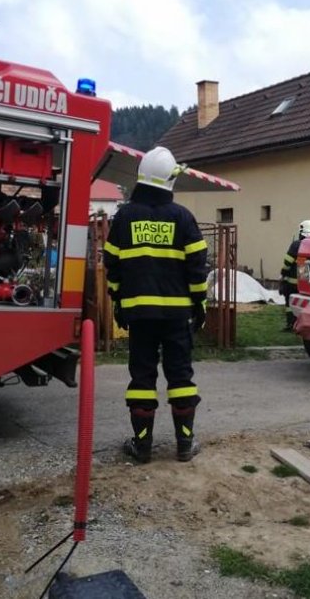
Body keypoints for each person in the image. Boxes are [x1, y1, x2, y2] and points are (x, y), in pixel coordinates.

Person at [103, 147, 209, 464]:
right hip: (177, 315)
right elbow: (197, 266)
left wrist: (119, 302)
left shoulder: (124, 217)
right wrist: (200, 303)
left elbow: (112, 264)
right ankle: (185, 444)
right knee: (180, 375)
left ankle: (142, 446)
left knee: (142, 377)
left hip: (140, 315)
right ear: (169, 181)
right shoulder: (183, 218)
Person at [280, 219, 310, 331]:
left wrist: (283, 274)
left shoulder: (296, 245)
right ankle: (303, 325)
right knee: (304, 305)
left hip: (292, 282)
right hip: (307, 283)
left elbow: (287, 263)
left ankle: (291, 324)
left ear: (301, 231)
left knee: (289, 304)